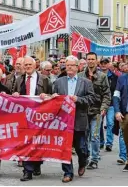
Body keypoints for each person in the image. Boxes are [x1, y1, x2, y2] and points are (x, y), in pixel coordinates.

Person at [52, 55, 95, 183]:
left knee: (81, 148)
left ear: (78, 67)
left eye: (72, 65)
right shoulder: (59, 82)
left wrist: (79, 99)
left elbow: (92, 99)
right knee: (65, 149)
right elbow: (53, 100)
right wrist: (54, 97)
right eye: (67, 65)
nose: (69, 67)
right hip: (63, 121)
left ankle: (83, 162)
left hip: (79, 119)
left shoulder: (85, 82)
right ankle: (68, 172)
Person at [12, 56, 52, 181]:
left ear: (35, 66)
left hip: (39, 117)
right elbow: (13, 94)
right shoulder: (19, 80)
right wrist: (15, 94)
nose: (27, 67)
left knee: (37, 143)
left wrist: (46, 96)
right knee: (25, 143)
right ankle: (27, 171)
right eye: (26, 65)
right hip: (23, 117)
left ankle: (37, 164)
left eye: (30, 64)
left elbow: (52, 95)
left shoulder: (44, 79)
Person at [78, 52, 110, 170]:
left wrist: (104, 108)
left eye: (93, 59)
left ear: (96, 61)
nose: (91, 61)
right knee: (84, 135)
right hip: (83, 111)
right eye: (89, 59)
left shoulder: (102, 76)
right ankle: (85, 156)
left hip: (97, 111)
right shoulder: (80, 75)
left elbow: (107, 94)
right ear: (86, 60)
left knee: (95, 136)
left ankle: (94, 159)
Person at [99, 58, 121, 153]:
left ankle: (109, 143)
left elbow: (116, 90)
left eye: (105, 63)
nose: (103, 65)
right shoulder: (96, 75)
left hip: (111, 103)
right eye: (102, 63)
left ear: (109, 65)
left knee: (110, 123)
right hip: (99, 103)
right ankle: (100, 141)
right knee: (98, 123)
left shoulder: (115, 77)